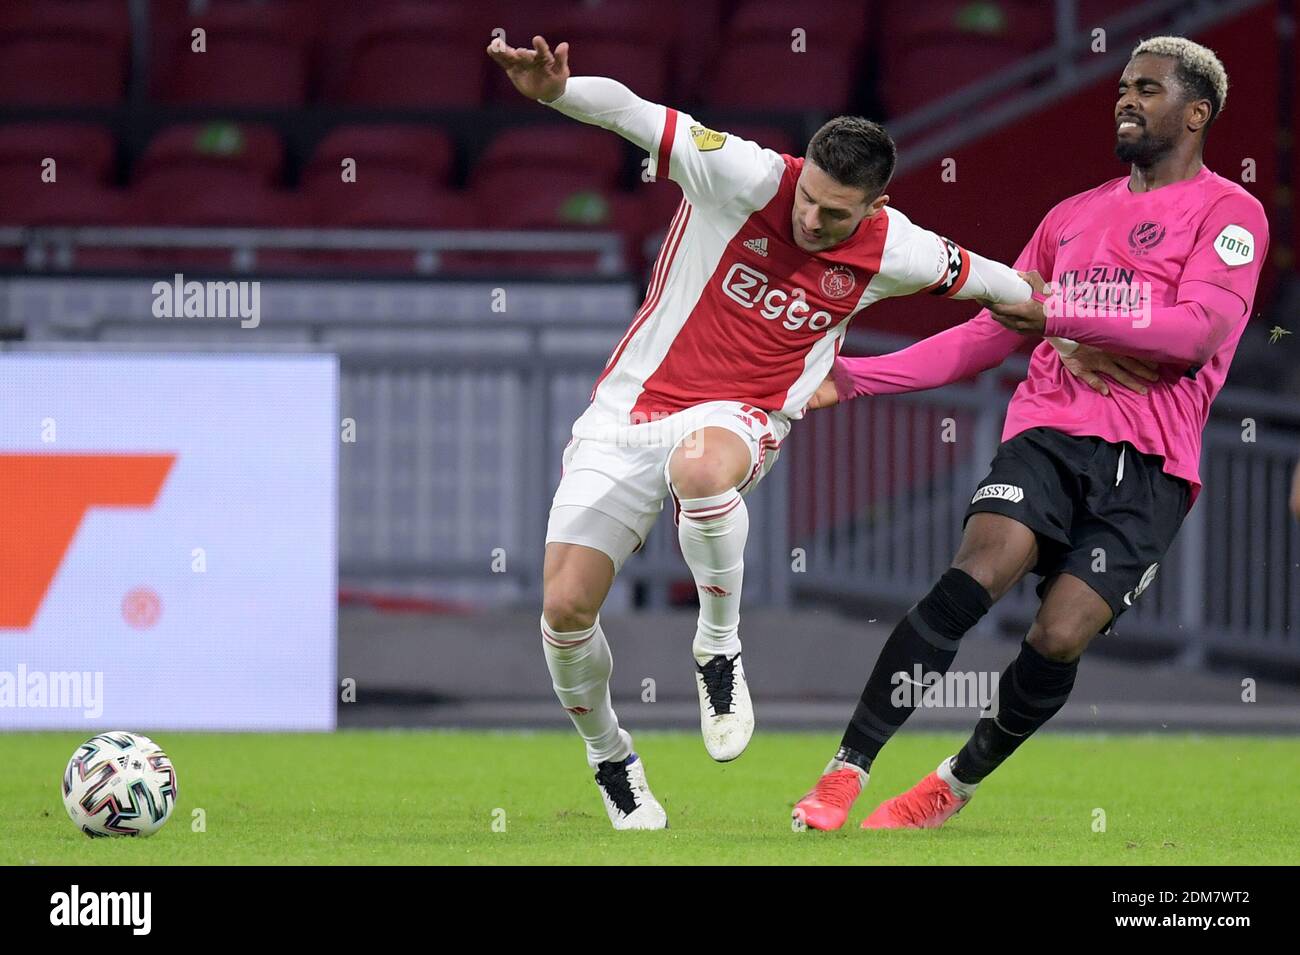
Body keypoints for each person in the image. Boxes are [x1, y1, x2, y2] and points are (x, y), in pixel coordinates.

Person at [792, 35, 1269, 832]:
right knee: (979, 570)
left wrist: (1067, 314)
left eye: (1147, 89)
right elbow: (990, 333)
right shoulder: (1071, 217)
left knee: (1058, 635)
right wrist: (857, 375)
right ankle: (846, 770)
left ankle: (954, 780)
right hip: (1050, 430)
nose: (1124, 98)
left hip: (1154, 467)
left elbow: (1197, 332)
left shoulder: (1231, 213)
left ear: (1196, 112)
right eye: (1121, 86)